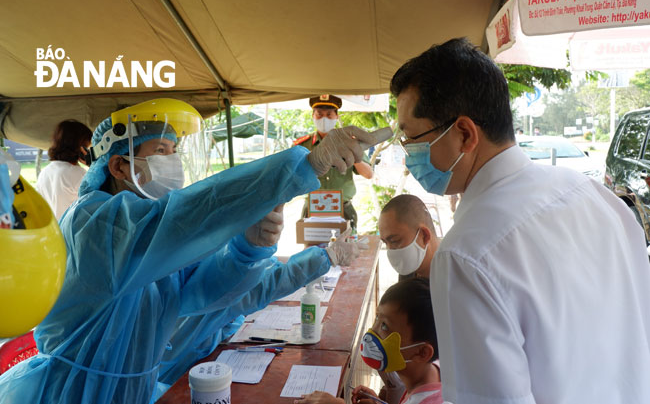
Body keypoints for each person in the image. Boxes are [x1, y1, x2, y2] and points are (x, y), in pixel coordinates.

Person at [0, 98, 369, 404]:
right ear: (118, 165)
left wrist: (247, 249)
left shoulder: (155, 240)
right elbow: (190, 214)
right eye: (161, 151)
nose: (173, 162)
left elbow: (202, 294)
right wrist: (299, 168)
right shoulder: (96, 223)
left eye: (175, 151)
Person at [391, 37, 650, 403]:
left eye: (412, 138)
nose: (408, 155)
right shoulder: (594, 195)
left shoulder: (465, 254)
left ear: (464, 134)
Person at [295, 277, 442, 404]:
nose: (372, 332)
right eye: (377, 318)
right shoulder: (433, 373)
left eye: (385, 326)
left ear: (422, 353)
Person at [295, 95, 373, 230]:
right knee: (312, 249)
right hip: (313, 210)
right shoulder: (303, 146)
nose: (324, 119)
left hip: (343, 210)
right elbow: (291, 176)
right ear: (313, 116)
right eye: (319, 114)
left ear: (337, 117)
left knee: (347, 249)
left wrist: (352, 152)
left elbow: (368, 174)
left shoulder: (350, 143)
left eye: (329, 115)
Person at [36, 119, 92, 219]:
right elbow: (102, 201)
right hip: (72, 231)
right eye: (87, 147)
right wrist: (92, 166)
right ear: (81, 148)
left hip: (54, 232)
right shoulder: (79, 173)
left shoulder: (44, 172)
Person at [378, 194, 440, 279]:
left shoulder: (452, 278)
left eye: (395, 241)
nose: (390, 251)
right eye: (385, 243)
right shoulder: (409, 271)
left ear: (424, 236)